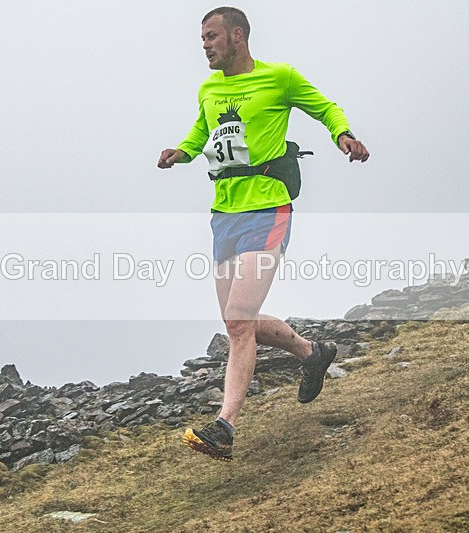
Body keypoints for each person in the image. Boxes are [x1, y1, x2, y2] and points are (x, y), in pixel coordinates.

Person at [157, 6, 369, 461]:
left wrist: (343, 134)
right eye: (202, 38)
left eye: (212, 36)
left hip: (267, 208)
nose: (205, 45)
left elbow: (324, 107)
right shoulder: (210, 88)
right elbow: (204, 129)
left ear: (237, 36)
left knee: (237, 321)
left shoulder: (280, 77)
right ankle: (312, 353)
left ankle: (225, 427)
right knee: (241, 323)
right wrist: (183, 151)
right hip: (224, 214)